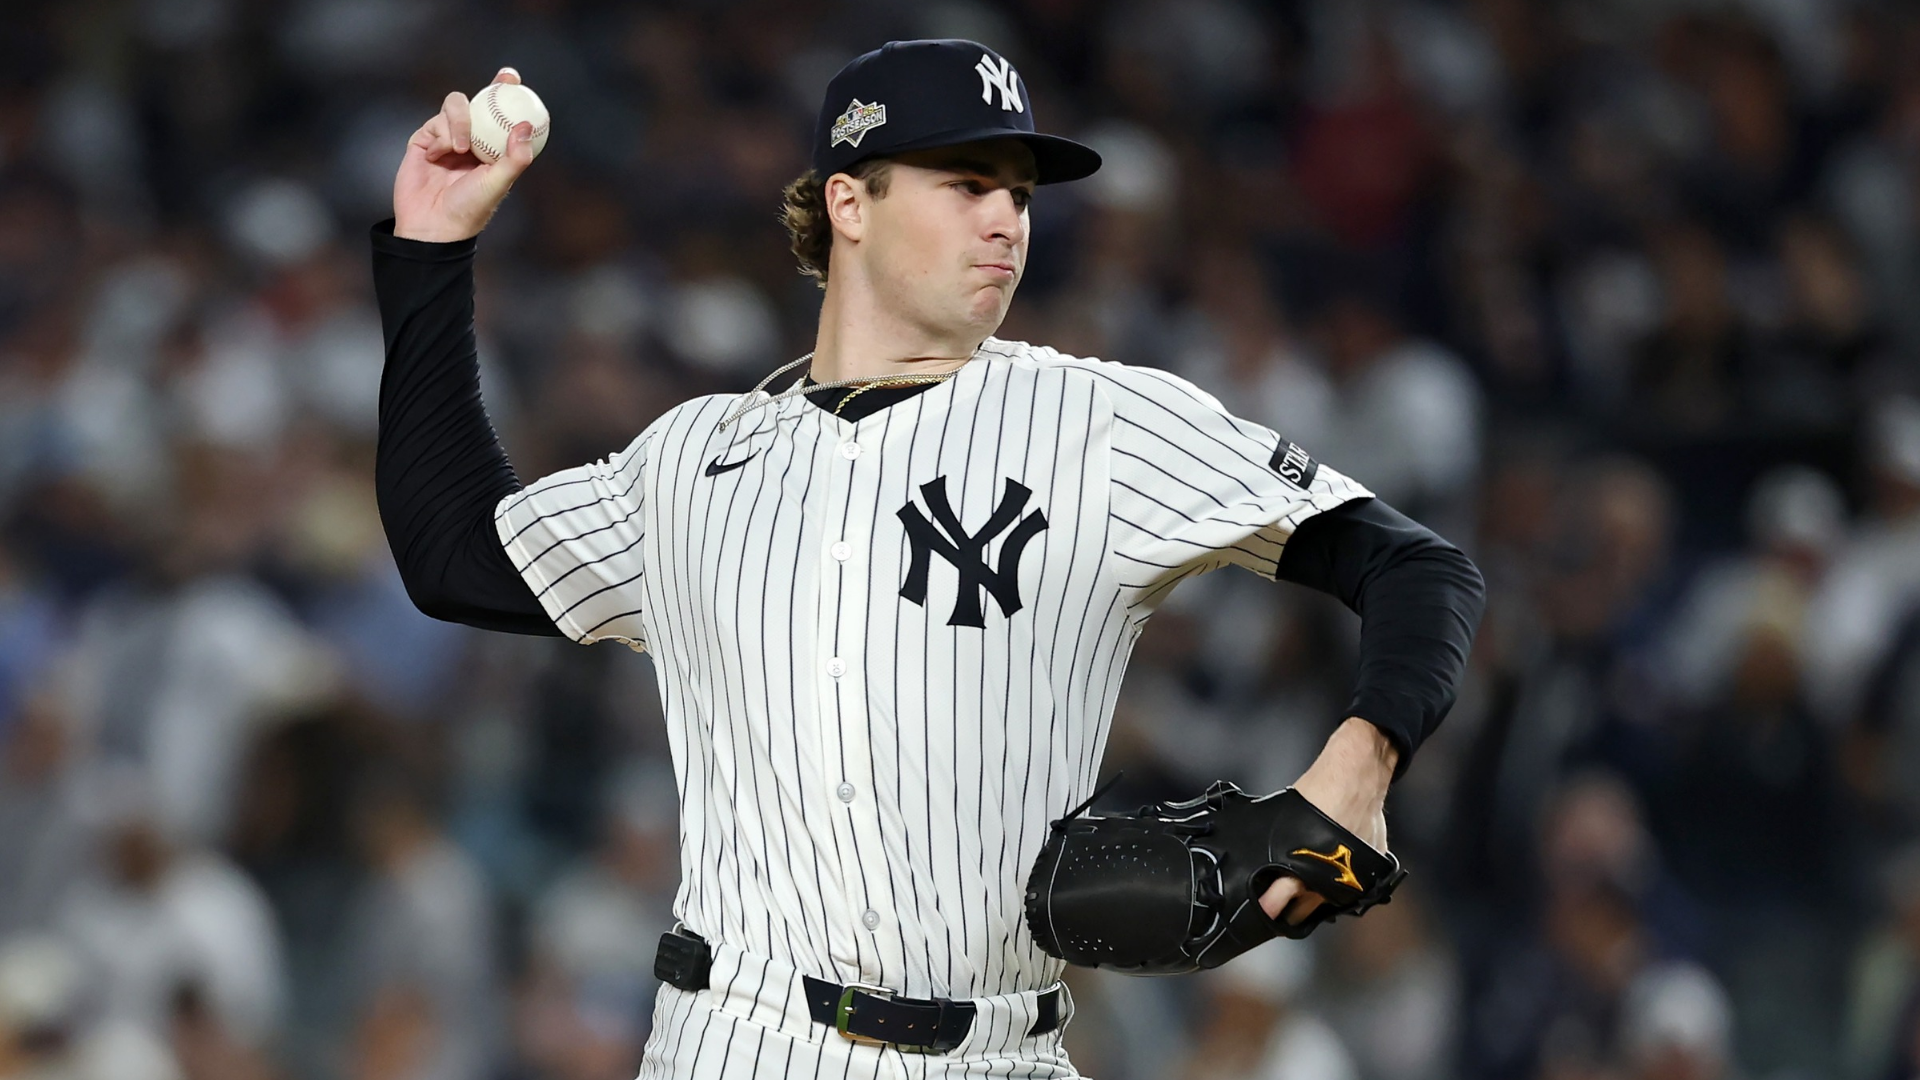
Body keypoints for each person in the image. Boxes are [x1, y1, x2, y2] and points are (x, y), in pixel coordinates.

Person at [372, 39, 1483, 1078]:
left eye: (1020, 193)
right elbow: (456, 552)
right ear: (849, 202)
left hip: (999, 1050)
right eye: (966, 184)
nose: (1006, 219)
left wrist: (1361, 759)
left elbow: (1418, 570)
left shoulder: (1097, 425)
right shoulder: (693, 461)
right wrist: (432, 251)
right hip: (735, 1039)